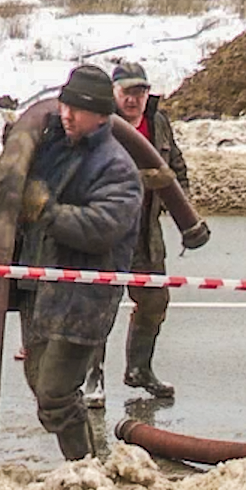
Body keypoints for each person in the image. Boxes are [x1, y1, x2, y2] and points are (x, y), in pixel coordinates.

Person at [14, 64, 143, 460]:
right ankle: (86, 465)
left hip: (82, 296)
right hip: (40, 289)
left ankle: (86, 468)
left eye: (78, 109)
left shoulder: (116, 167)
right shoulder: (57, 147)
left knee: (55, 396)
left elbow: (102, 227)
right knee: (41, 385)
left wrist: (46, 212)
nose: (67, 114)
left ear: (102, 116)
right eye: (65, 105)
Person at [84, 60, 188, 407]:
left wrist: (181, 210)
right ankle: (91, 377)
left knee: (155, 300)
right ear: (114, 93)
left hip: (145, 232)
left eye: (140, 92)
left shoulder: (157, 123)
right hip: (106, 233)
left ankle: (139, 370)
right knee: (99, 306)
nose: (134, 99)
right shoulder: (99, 123)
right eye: (127, 92)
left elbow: (176, 170)